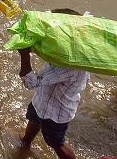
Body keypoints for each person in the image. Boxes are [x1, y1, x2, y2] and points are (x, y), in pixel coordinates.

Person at [18, 9, 90, 159]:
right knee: (34, 118)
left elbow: (31, 82)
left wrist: (24, 54)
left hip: (56, 112)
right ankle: (25, 142)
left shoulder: (68, 65)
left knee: (56, 142)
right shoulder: (72, 51)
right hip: (43, 99)